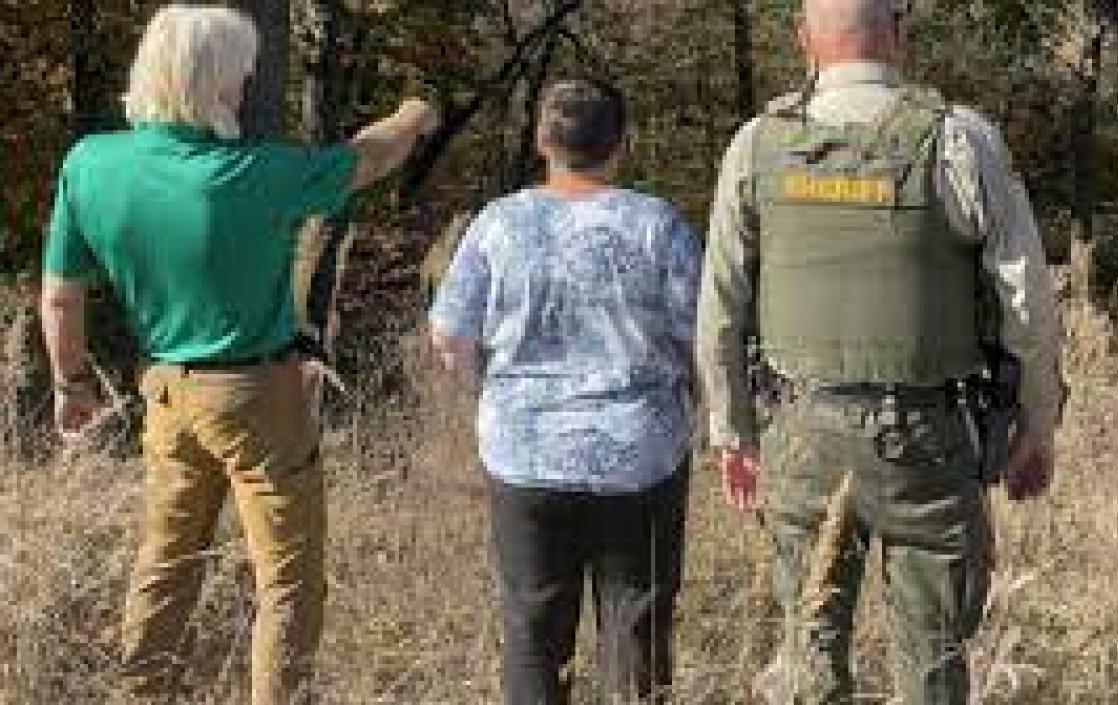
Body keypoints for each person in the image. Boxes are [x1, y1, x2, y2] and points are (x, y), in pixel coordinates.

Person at [40, 5, 439, 703]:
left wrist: (70, 380)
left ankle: (142, 691)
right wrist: (412, 113)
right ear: (212, 82)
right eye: (239, 74)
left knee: (164, 564)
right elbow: (370, 158)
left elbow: (60, 298)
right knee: (286, 577)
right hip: (259, 398)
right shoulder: (255, 171)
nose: (248, 81)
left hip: (164, 392)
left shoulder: (90, 164)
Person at [696, 1, 1065, 703]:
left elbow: (720, 306)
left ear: (804, 40)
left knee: (807, 650)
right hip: (926, 438)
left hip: (800, 431)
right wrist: (1036, 423)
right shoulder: (960, 140)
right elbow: (1027, 301)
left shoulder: (757, 145)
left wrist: (731, 429)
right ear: (896, 34)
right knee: (932, 660)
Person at [430, 79, 701, 705]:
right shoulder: (656, 224)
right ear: (622, 142)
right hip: (640, 455)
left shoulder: (498, 223)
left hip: (524, 452)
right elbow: (701, 333)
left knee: (531, 626)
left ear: (542, 141)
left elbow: (449, 334)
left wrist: (489, 397)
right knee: (637, 623)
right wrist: (697, 402)